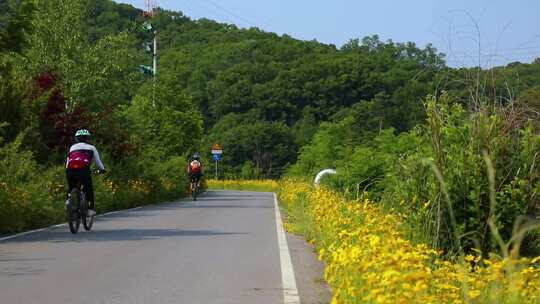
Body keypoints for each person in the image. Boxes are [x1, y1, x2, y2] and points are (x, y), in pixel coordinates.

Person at [65, 129, 106, 216]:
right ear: (88, 138)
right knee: (88, 189)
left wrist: (67, 170)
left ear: (76, 139)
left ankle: (69, 199)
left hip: (70, 170)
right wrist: (102, 169)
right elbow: (98, 162)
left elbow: (68, 161)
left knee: (71, 186)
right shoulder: (91, 148)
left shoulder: (72, 147)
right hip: (83, 170)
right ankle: (90, 209)